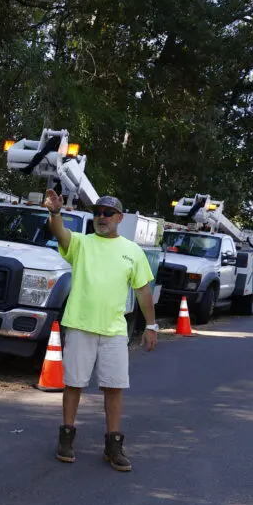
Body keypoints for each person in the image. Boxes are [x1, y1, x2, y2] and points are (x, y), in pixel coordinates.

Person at [43, 191, 159, 472]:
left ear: (119, 218)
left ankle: (113, 445)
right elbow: (60, 234)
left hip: (114, 331)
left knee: (114, 387)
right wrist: (55, 212)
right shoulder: (82, 243)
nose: (102, 217)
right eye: (98, 213)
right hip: (81, 325)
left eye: (108, 213)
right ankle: (66, 437)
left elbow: (143, 290)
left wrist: (151, 326)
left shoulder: (132, 251)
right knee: (74, 384)